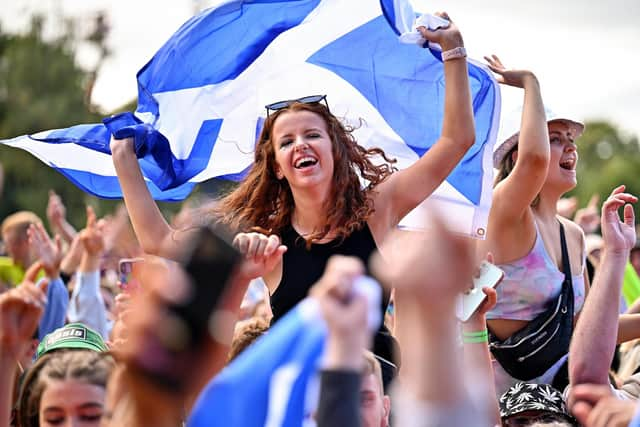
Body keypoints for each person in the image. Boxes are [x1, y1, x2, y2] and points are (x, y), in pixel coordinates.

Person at [110, 12, 475, 382]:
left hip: (376, 399)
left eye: (312, 135)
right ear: (279, 167)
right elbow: (161, 242)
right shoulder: (265, 238)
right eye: (287, 141)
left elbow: (455, 141)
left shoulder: (378, 209)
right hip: (297, 403)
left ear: (335, 151)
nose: (300, 144)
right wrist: (124, 160)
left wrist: (453, 50)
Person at [479, 55, 589, 395]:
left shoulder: (575, 235)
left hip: (560, 404)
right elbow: (534, 162)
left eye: (571, 138)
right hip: (499, 408)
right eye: (555, 137)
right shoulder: (508, 214)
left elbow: (587, 331)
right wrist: (530, 83)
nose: (570, 145)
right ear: (517, 155)